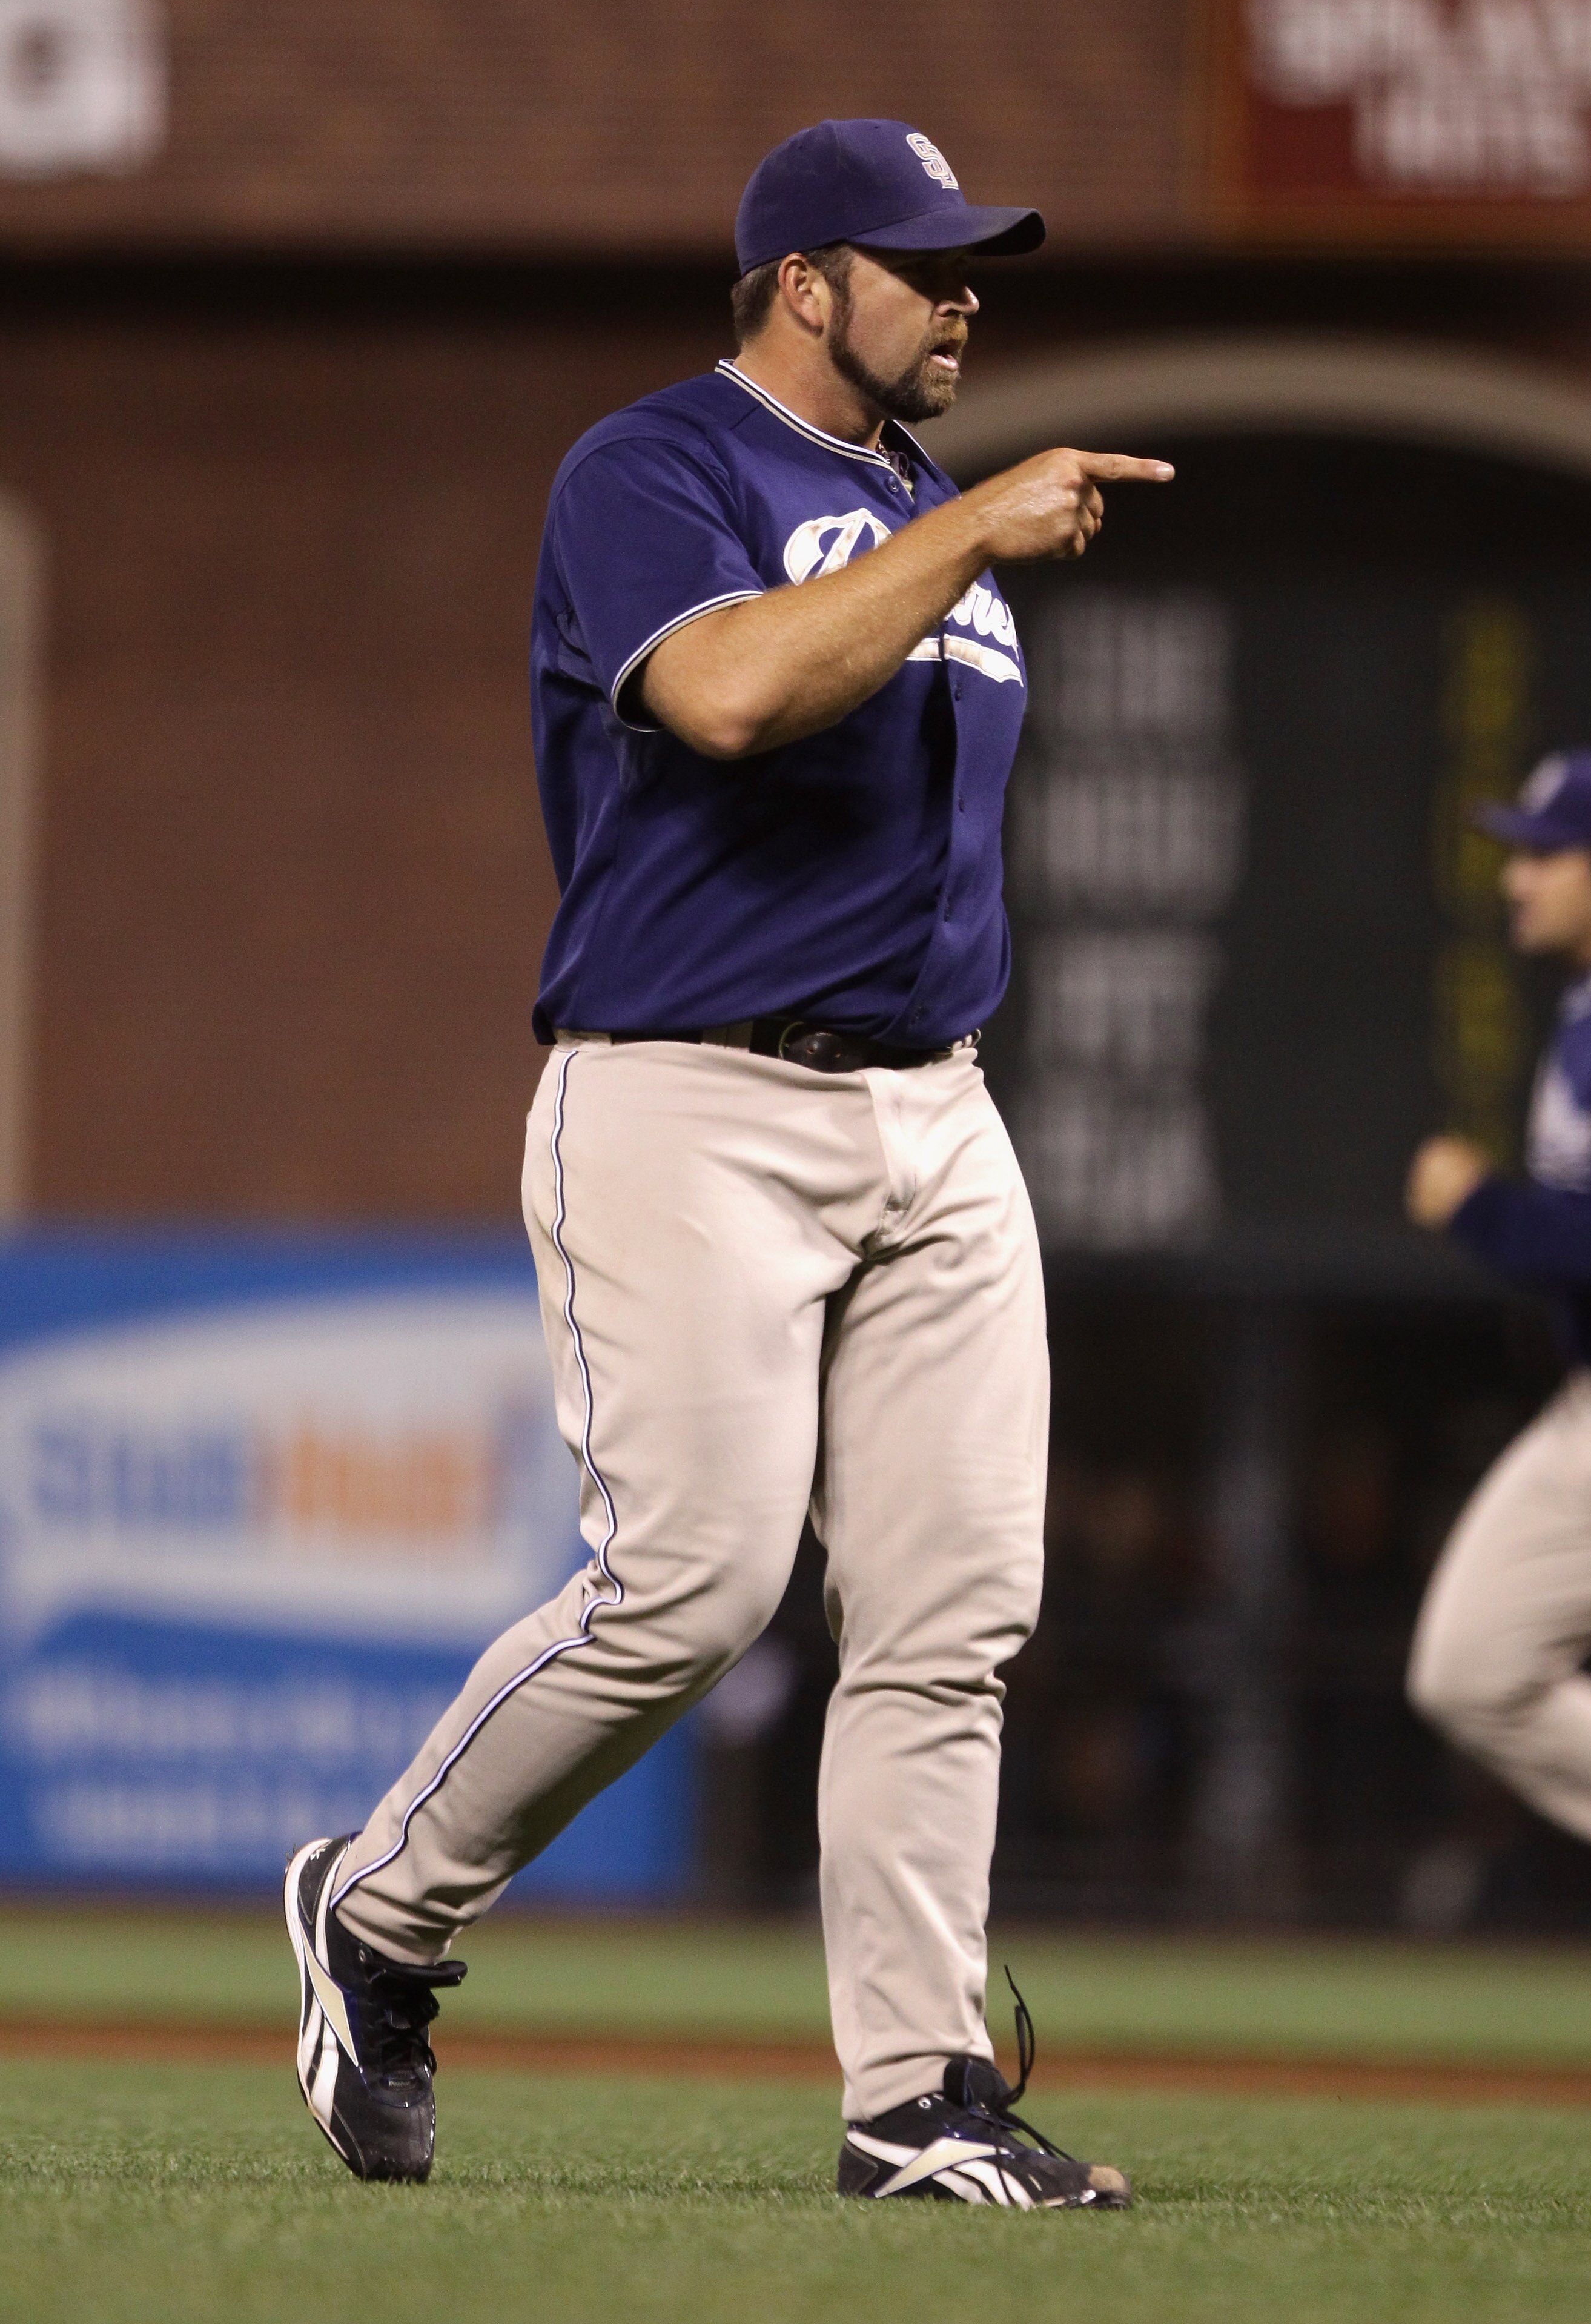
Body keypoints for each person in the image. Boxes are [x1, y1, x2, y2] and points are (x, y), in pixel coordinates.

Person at [284, 116, 1171, 2205]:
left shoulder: (915, 507)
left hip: (932, 1108)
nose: (962, 296)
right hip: (689, 1096)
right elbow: (725, 694)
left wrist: (940, 539)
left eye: (975, 266)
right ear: (801, 281)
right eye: (923, 262)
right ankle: (381, 1909)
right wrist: (953, 549)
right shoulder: (654, 469)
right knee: (688, 1583)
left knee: (952, 1611)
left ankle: (915, 2098)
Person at [1407, 749, 1591, 1862]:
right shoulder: (1589, 1011)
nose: (1517, 880)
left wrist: (1486, 1210)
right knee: (1470, 1667)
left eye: (1545, 856)